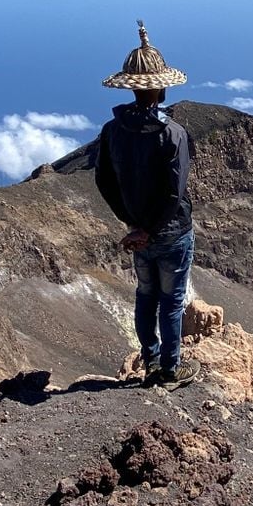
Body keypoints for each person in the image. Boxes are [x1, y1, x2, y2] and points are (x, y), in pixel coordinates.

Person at [95, 20, 200, 391]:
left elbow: (103, 181)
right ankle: (169, 369)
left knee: (145, 296)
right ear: (160, 87)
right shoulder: (172, 134)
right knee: (171, 301)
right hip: (171, 234)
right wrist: (151, 228)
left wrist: (133, 223)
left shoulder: (111, 130)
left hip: (138, 232)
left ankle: (151, 357)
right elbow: (175, 192)